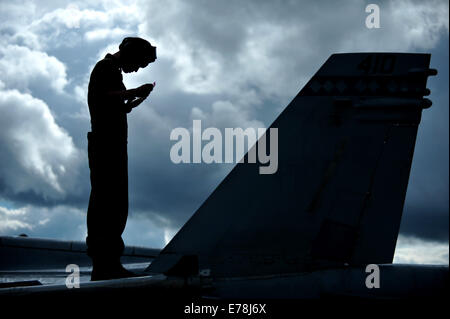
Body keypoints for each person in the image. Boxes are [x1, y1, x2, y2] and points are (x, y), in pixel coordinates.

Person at [86, 37, 156, 281]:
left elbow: (110, 101)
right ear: (129, 53)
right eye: (138, 63)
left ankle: (108, 263)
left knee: (114, 203)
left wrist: (132, 101)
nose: (136, 70)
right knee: (107, 202)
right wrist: (133, 92)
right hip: (106, 144)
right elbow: (104, 96)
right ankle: (105, 264)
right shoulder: (105, 68)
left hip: (111, 143)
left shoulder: (111, 70)